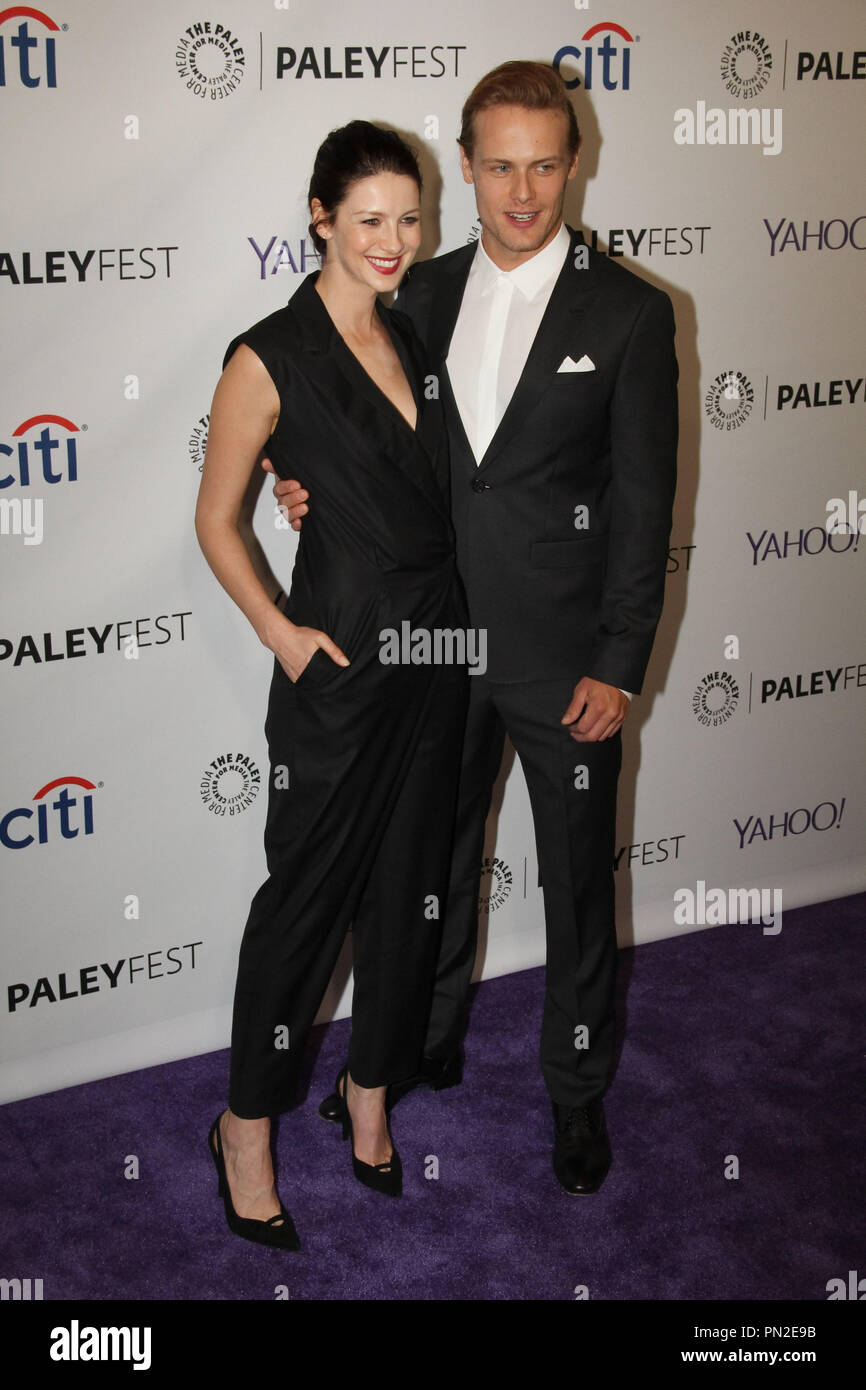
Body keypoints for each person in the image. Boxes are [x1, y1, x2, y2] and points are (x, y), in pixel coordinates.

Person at [273, 62, 679, 1197]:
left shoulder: (633, 311)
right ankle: (415, 1041)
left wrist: (618, 661)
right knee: (423, 866)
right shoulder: (419, 294)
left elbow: (645, 507)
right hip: (435, 646)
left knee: (574, 884)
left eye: (543, 163)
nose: (521, 190)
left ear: (573, 162)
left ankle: (575, 1089)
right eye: (497, 164)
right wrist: (297, 487)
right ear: (463, 168)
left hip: (564, 662)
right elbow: (356, 435)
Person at [194, 120, 469, 1248]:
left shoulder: (419, 338)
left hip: (439, 653)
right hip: (340, 659)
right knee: (303, 905)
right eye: (369, 220)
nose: (393, 239)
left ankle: (368, 1090)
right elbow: (215, 520)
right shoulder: (267, 353)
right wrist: (281, 630)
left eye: (408, 218)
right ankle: (244, 1123)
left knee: (412, 889)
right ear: (320, 218)